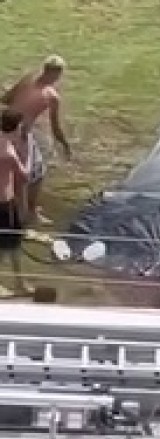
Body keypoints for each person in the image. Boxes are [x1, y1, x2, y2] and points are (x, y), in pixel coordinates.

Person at [1, 55, 74, 225]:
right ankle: (29, 212)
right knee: (35, 173)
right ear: (56, 74)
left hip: (5, 126)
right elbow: (55, 127)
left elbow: (5, 99)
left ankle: (21, 207)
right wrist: (65, 145)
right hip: (21, 134)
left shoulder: (27, 79)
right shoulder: (51, 96)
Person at [0, 109, 31, 296]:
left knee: (12, 244)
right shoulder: (8, 152)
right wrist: (28, 156)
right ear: (16, 127)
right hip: (4, 204)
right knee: (8, 246)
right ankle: (18, 283)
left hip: (5, 203)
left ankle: (20, 282)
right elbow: (25, 176)